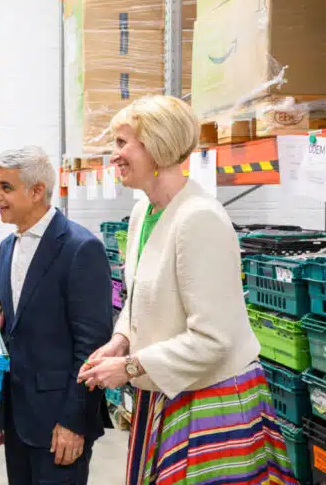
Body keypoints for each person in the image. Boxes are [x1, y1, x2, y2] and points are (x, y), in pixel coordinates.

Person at [77, 95, 296, 484]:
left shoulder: (199, 219)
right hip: (163, 387)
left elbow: (214, 339)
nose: (114, 156)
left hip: (208, 398)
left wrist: (128, 368)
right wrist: (120, 340)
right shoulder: (146, 210)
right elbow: (140, 294)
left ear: (157, 146)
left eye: (123, 143)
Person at [0, 146, 113, 484]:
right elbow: (11, 335)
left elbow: (92, 346)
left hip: (59, 421)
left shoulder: (80, 248)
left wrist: (75, 421)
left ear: (37, 191)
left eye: (5, 187)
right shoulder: (6, 249)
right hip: (17, 417)